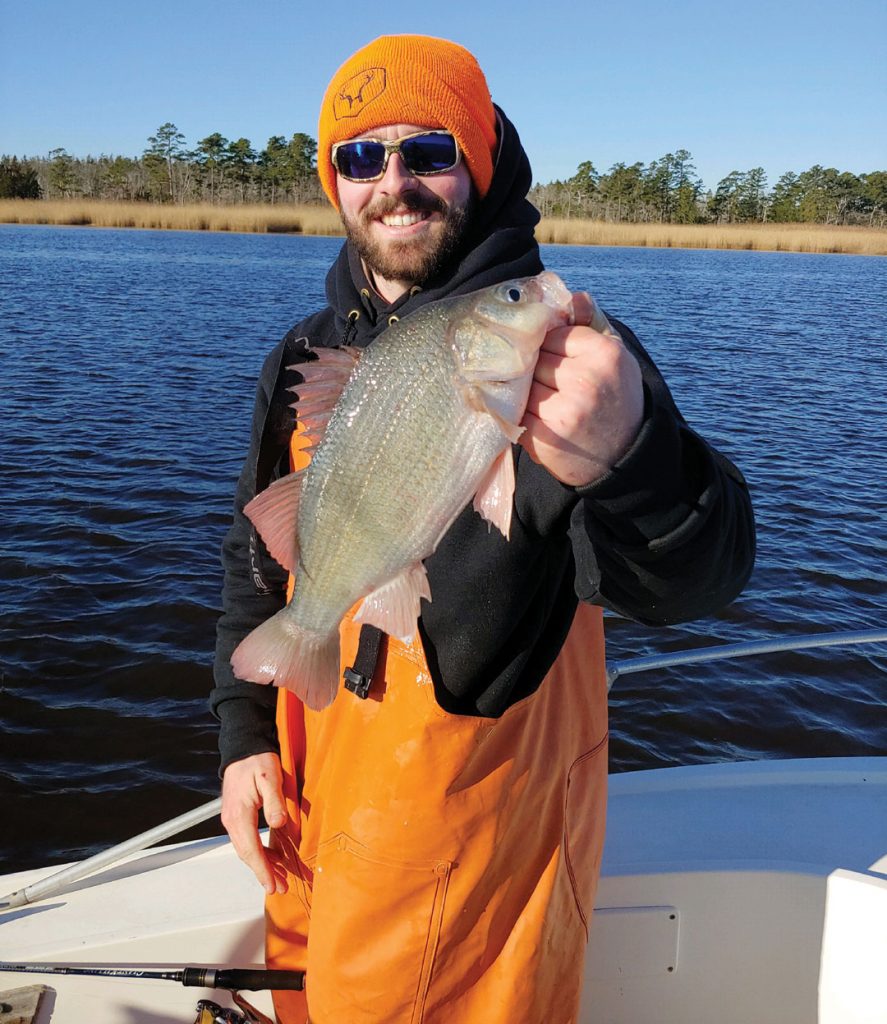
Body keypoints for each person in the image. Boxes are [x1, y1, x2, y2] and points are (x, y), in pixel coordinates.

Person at [211, 34, 755, 1024]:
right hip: (312, 806)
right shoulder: (302, 353)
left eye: (427, 149)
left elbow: (698, 581)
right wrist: (244, 736)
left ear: (480, 159)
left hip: (470, 855)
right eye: (360, 157)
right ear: (332, 182)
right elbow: (259, 564)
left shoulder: (571, 357)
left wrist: (630, 455)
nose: (394, 182)